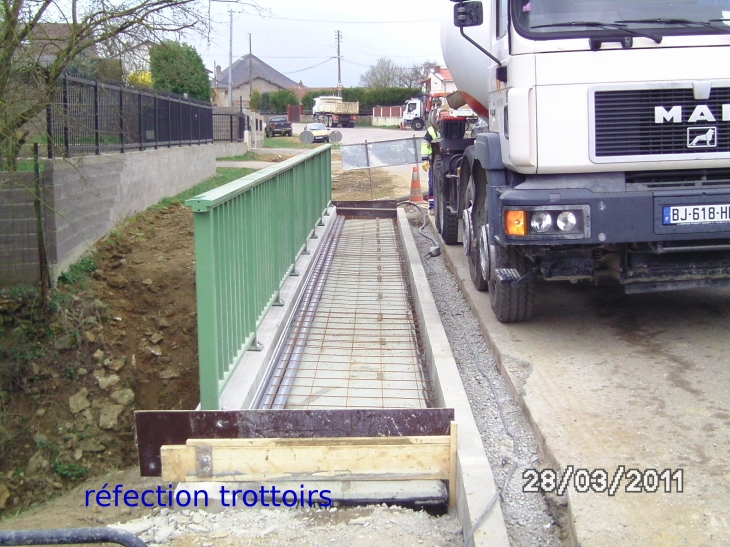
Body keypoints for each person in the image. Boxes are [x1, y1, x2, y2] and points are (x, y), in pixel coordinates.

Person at [421, 120, 440, 211]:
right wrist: (425, 159)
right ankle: (432, 206)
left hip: (444, 159)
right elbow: (425, 144)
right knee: (432, 183)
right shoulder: (431, 131)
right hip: (434, 161)